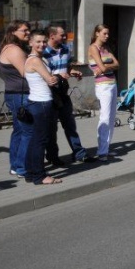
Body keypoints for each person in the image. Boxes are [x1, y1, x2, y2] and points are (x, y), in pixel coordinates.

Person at [43, 24, 93, 165]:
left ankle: (79, 153)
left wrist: (72, 72)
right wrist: (59, 75)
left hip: (63, 92)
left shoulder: (65, 49)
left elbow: (67, 67)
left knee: (70, 125)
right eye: (62, 35)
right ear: (52, 36)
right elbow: (42, 74)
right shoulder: (44, 52)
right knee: (51, 129)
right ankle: (53, 157)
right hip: (50, 94)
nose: (65, 37)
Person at [23, 30, 62, 185]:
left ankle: (30, 173)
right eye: (38, 41)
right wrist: (57, 78)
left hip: (37, 102)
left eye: (44, 41)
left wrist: (53, 78)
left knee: (34, 139)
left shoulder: (39, 59)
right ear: (30, 43)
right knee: (41, 140)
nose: (42, 44)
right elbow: (50, 80)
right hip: (42, 103)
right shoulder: (35, 60)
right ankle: (40, 176)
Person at [0, 21, 32, 178]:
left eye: (28, 30)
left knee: (19, 131)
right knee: (27, 131)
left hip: (15, 94)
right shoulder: (14, 50)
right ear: (13, 32)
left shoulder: (10, 48)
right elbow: (27, 73)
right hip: (20, 95)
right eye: (24, 30)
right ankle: (21, 167)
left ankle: (16, 165)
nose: (28, 33)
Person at [88, 24, 119, 162]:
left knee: (112, 117)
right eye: (104, 33)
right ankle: (101, 152)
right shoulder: (93, 48)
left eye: (108, 33)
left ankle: (106, 148)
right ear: (97, 33)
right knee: (105, 117)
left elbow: (118, 64)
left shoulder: (105, 48)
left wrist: (105, 67)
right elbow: (101, 67)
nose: (107, 36)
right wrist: (104, 67)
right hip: (103, 85)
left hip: (112, 83)